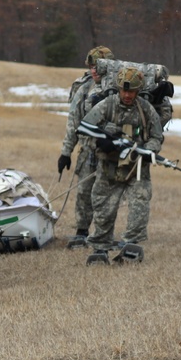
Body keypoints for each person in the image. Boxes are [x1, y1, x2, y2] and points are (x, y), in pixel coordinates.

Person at [80, 66, 164, 264]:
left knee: (139, 207)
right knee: (103, 210)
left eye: (132, 91)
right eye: (125, 90)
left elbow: (156, 137)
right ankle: (100, 248)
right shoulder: (105, 106)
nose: (127, 95)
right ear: (119, 89)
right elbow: (85, 131)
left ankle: (131, 246)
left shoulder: (145, 109)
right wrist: (102, 143)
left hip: (136, 169)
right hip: (108, 168)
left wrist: (146, 150)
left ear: (138, 91)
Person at [57, 46, 112, 249]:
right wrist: (66, 152)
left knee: (105, 194)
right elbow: (73, 122)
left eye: (97, 66)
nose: (94, 70)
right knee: (83, 192)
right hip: (88, 150)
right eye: (91, 66)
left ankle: (103, 233)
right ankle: (81, 231)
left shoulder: (120, 87)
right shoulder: (84, 88)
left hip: (111, 152)